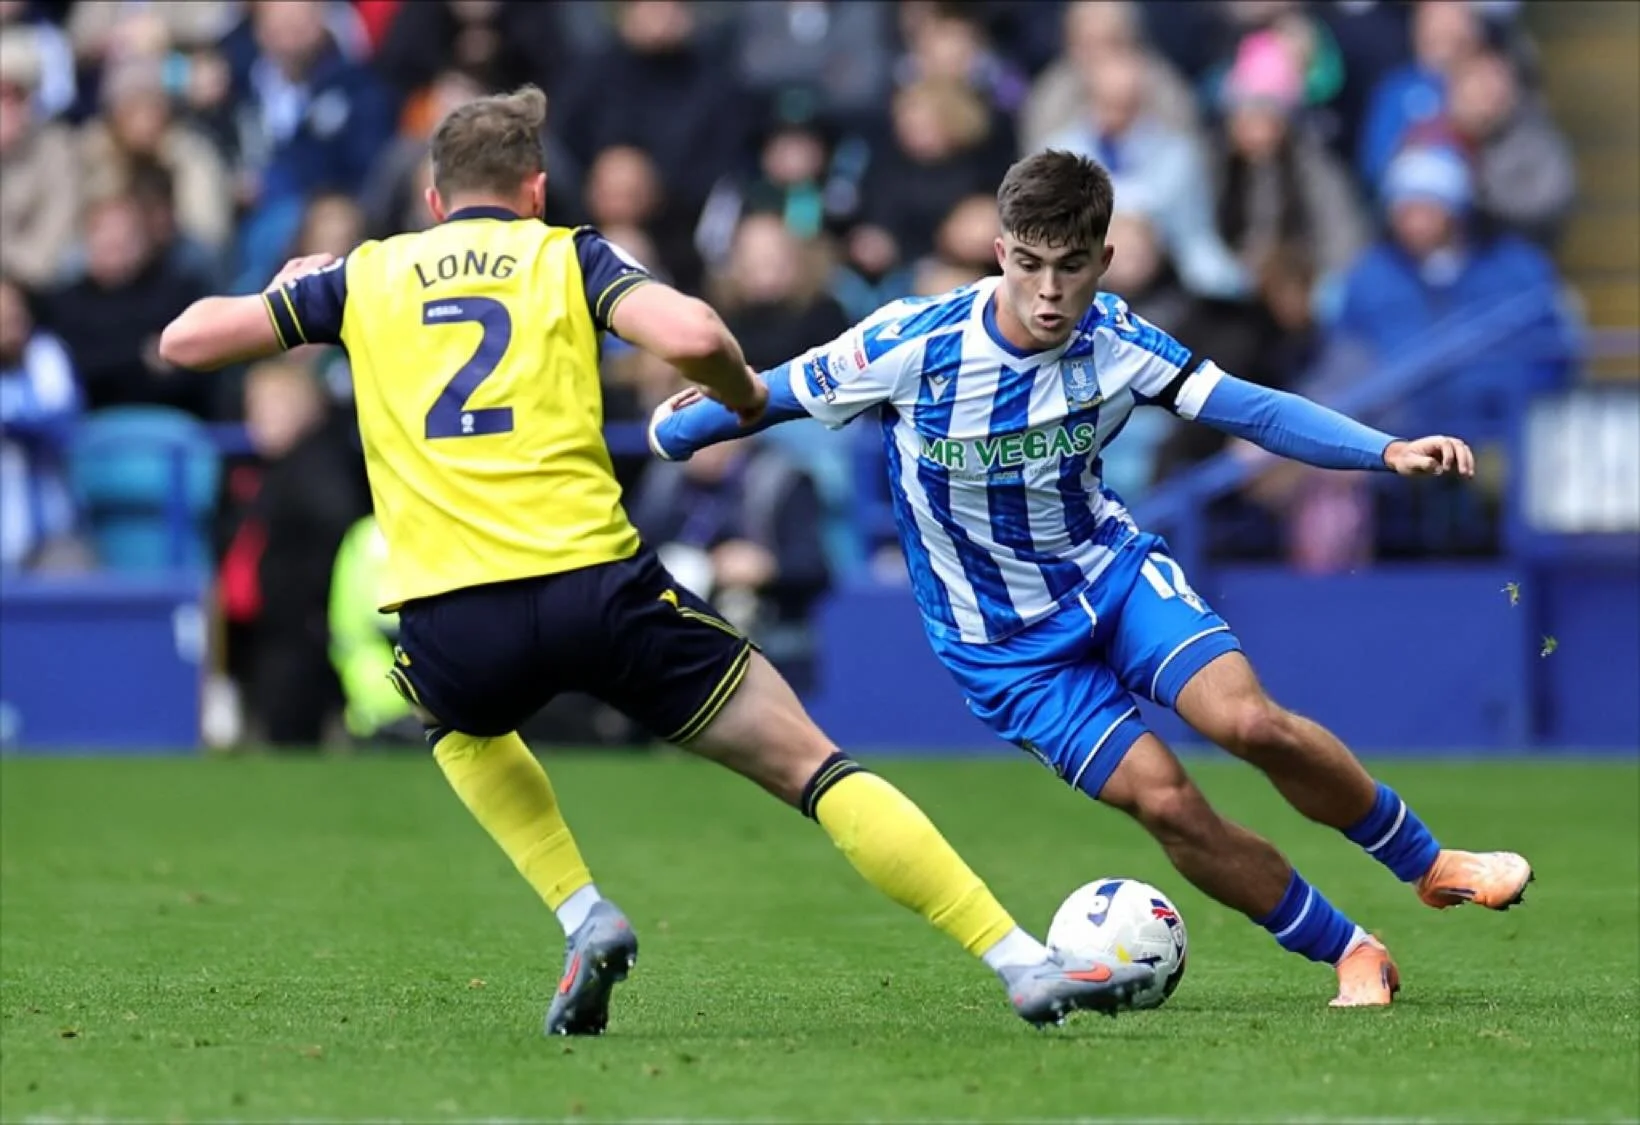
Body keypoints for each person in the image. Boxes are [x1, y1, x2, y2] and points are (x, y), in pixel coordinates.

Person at [158, 87, 1151, 1035]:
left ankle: (581, 909)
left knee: (458, 730)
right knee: (812, 766)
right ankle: (1015, 958)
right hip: (596, 586)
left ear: (432, 198)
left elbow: (184, 342)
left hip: (455, 611)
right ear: (536, 190)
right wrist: (744, 397)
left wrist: (284, 292)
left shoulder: (366, 276)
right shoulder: (565, 256)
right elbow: (694, 332)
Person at [650, 149, 1533, 1009]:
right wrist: (670, 432)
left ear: (1104, 260)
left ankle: (1430, 864)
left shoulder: (1118, 341)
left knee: (1251, 722)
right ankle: (1350, 948)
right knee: (1169, 803)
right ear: (999, 252)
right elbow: (765, 394)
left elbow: (1253, 408)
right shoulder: (911, 343)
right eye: (1029, 264)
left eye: (1070, 267)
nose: (1048, 291)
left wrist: (1385, 450)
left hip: (1111, 577)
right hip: (1005, 649)